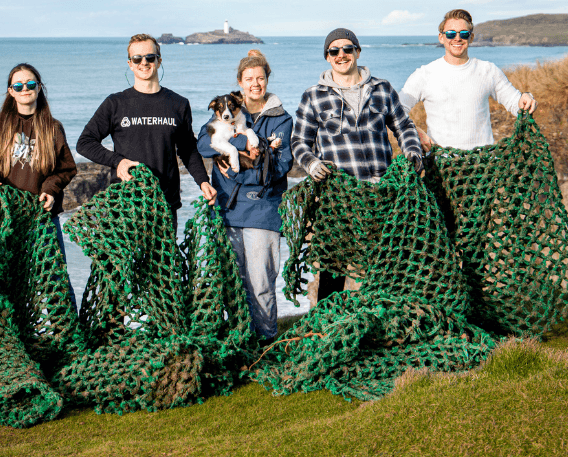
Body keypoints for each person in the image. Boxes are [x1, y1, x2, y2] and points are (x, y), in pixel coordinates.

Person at [291, 28, 423, 302]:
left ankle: (385, 325)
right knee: (333, 271)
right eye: (334, 51)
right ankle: (326, 328)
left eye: (347, 49)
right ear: (327, 57)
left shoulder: (382, 89)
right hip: (339, 199)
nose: (341, 55)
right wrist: (312, 164)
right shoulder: (313, 96)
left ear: (357, 52)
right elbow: (299, 143)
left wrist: (412, 152)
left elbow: (404, 126)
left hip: (382, 196)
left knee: (385, 267)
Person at [196, 50, 293, 340]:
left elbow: (280, 165)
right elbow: (202, 144)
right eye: (249, 78)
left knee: (261, 283)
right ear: (239, 83)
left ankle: (265, 341)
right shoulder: (226, 113)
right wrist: (240, 146)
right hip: (226, 209)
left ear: (267, 80)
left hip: (263, 211)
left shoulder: (281, 119)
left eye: (260, 78)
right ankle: (238, 339)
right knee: (232, 282)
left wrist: (238, 171)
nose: (255, 83)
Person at [76, 33, 216, 224]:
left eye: (150, 57)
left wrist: (203, 181)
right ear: (130, 64)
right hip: (125, 205)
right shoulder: (115, 103)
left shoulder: (178, 104)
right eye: (137, 58)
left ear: (159, 61)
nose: (144, 62)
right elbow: (85, 143)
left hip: (165, 204)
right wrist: (118, 162)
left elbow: (187, 149)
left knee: (165, 256)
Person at [0, 63, 79, 306]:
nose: (25, 89)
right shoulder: (0, 126)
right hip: (6, 218)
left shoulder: (53, 127)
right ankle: (8, 337)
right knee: (3, 279)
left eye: (31, 84)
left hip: (43, 218)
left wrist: (50, 190)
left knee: (55, 281)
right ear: (10, 91)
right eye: (19, 85)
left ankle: (66, 339)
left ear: (39, 88)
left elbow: (66, 168)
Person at [399, 8, 538, 151]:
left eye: (464, 34)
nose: (457, 38)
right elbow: (396, 109)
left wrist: (527, 98)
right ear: (441, 37)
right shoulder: (424, 74)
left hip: (483, 166)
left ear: (471, 38)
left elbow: (516, 103)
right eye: (451, 33)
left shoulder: (488, 70)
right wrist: (415, 132)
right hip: (440, 166)